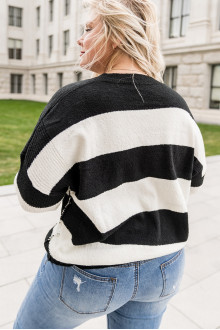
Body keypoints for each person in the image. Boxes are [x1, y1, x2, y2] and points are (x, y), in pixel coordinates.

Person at [13, 0, 207, 328]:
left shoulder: (73, 101)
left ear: (116, 34)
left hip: (89, 272)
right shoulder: (177, 105)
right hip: (164, 267)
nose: (80, 39)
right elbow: (195, 178)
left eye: (89, 29)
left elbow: (33, 197)